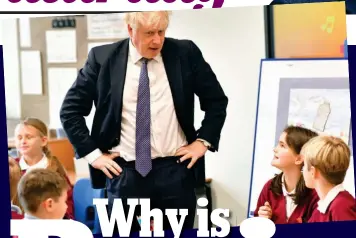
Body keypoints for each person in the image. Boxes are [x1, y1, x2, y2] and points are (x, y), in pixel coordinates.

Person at [60, 11, 228, 233]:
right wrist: (94, 156)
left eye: (161, 31)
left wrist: (203, 141)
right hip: (124, 173)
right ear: (130, 29)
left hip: (175, 172)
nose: (157, 40)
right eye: (149, 33)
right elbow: (70, 111)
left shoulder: (185, 53)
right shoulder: (102, 58)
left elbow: (216, 100)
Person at [254, 125, 319, 224]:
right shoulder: (269, 187)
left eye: (282, 145)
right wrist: (261, 220)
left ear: (299, 159)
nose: (275, 149)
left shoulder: (317, 195)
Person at [13, 117, 74, 219]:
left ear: (43, 141)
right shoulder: (12, 167)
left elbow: (67, 204)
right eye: (19, 138)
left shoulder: (54, 168)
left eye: (29, 137)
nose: (23, 141)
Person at [301, 135, 356, 222]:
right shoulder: (323, 206)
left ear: (313, 172)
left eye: (304, 165)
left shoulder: (341, 207)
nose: (302, 170)